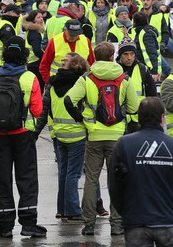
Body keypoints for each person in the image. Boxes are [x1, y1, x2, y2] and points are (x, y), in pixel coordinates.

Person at [64, 41, 140, 236]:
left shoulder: (87, 78)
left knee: (91, 179)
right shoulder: (124, 78)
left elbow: (68, 100)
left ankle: (89, 224)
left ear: (94, 57)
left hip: (94, 135)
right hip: (117, 137)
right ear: (112, 56)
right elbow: (133, 108)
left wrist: (82, 119)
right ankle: (116, 224)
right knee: (117, 180)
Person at [109, 97, 173, 247]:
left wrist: (126, 212)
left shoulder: (124, 144)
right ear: (162, 118)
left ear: (139, 118)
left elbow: (114, 186)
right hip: (170, 222)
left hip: (136, 222)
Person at [0, 36, 46, 239]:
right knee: (26, 178)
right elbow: (37, 110)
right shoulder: (29, 78)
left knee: (3, 179)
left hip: (0, 135)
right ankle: (28, 223)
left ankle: (5, 225)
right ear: (24, 54)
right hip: (23, 134)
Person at [34, 52, 89, 220]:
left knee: (63, 173)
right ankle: (73, 210)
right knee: (74, 174)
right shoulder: (81, 83)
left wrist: (36, 132)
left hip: (58, 134)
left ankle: (62, 209)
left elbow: (44, 111)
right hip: (77, 134)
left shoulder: (51, 84)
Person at [117, 39, 157, 133]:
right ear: (120, 55)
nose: (129, 57)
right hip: (120, 119)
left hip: (139, 119)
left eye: (132, 54)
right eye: (125, 54)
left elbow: (152, 95)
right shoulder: (114, 70)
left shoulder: (143, 70)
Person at [40, 19, 95, 84]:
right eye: (71, 34)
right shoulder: (54, 41)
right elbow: (44, 65)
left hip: (80, 83)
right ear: (65, 30)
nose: (74, 36)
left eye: (76, 34)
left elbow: (91, 64)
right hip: (59, 83)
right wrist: (49, 82)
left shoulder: (85, 41)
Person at [131, 12, 161, 83]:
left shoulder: (146, 34)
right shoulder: (141, 32)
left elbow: (152, 53)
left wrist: (154, 72)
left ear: (136, 22)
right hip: (144, 68)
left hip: (149, 70)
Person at [22, 10, 46, 89]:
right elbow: (37, 51)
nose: (41, 19)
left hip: (32, 64)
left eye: (42, 17)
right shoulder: (35, 33)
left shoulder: (30, 31)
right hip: (36, 64)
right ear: (33, 20)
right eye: (38, 17)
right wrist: (46, 58)